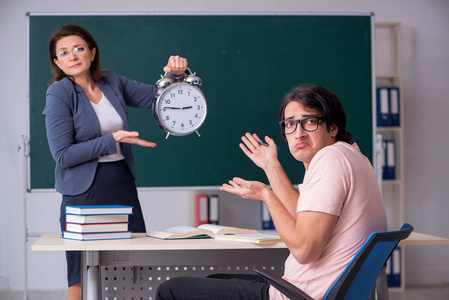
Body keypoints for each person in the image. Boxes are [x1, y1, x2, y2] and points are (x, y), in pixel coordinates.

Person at [156, 83, 387, 300]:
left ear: (333, 127)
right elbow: (302, 216)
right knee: (215, 280)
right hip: (312, 289)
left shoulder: (329, 159)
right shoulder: (352, 156)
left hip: (302, 294)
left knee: (170, 290)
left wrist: (267, 195)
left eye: (309, 122)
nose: (299, 133)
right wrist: (270, 165)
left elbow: (305, 250)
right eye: (290, 124)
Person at [43, 24, 189, 300]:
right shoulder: (59, 93)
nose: (72, 56)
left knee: (133, 270)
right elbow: (62, 155)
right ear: (57, 62)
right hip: (82, 193)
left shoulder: (110, 81)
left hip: (121, 184)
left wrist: (173, 75)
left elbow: (155, 98)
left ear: (92, 52)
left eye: (78, 49)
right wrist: (114, 139)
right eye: (63, 53)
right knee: (80, 279)